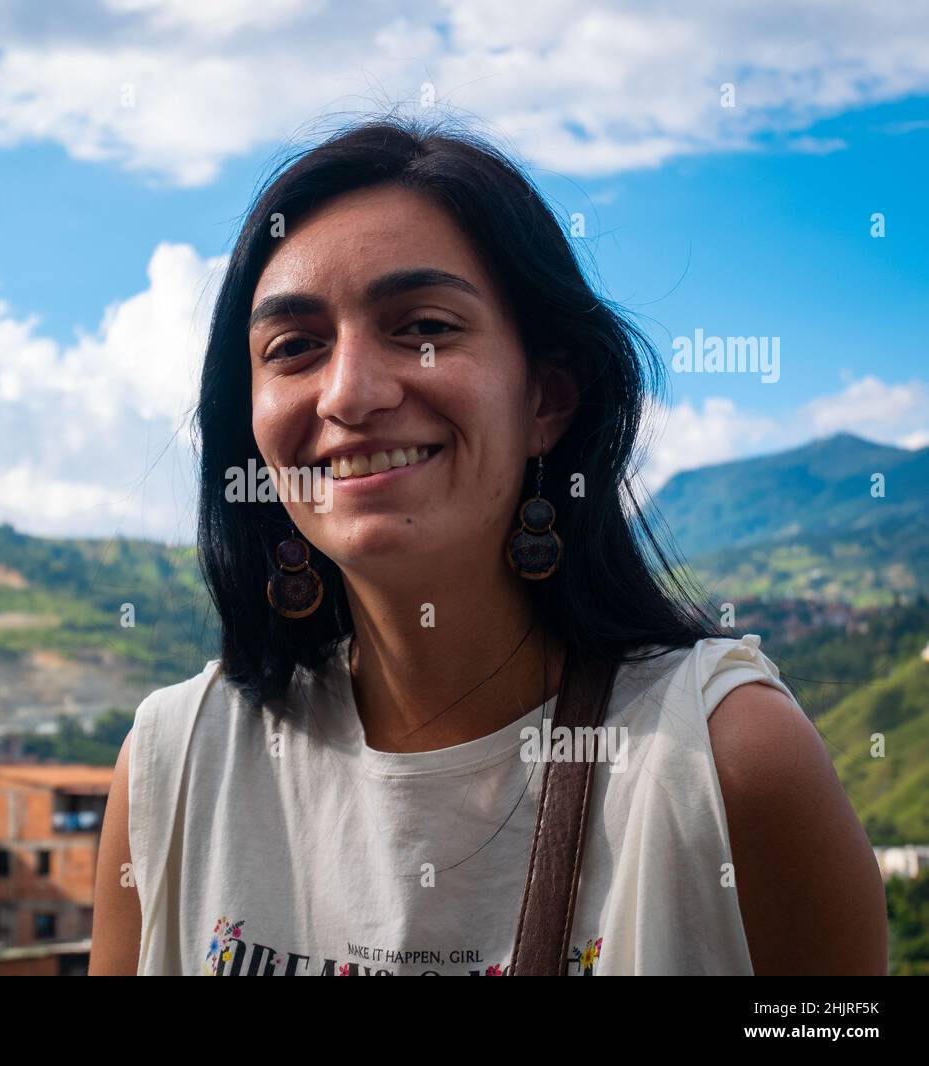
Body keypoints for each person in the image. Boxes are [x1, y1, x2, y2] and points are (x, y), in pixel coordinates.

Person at [90, 115, 887, 976]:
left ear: (546, 397)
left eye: (423, 327)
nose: (350, 393)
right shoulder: (173, 770)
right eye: (295, 347)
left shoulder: (725, 763)